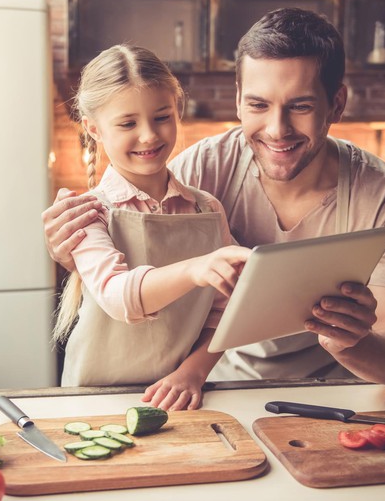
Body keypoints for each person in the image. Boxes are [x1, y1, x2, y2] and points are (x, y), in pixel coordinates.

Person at [43, 8, 385, 389]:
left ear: (337, 105)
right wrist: (71, 252)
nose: (278, 130)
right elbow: (131, 274)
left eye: (301, 106)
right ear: (239, 99)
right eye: (259, 105)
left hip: (335, 391)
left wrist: (351, 345)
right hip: (220, 390)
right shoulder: (201, 169)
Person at [53, 44, 251, 411]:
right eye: (128, 123)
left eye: (161, 117)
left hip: (179, 397)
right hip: (91, 399)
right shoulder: (88, 212)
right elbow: (116, 295)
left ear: (177, 111)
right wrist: (196, 268)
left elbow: (230, 310)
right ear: (93, 129)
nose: (149, 136)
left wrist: (193, 372)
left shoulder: (207, 208)